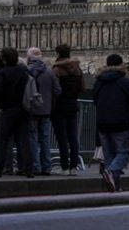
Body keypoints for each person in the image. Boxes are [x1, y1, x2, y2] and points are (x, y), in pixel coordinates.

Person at [93, 53, 129, 192]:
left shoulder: (99, 82)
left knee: (109, 155)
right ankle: (112, 172)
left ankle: (115, 185)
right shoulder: (125, 82)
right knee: (123, 151)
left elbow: (95, 99)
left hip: (102, 122)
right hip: (120, 121)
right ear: (120, 65)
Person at [0, 47, 33, 178]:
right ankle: (28, 169)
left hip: (8, 109)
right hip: (23, 109)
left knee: (3, 140)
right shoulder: (24, 71)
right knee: (24, 140)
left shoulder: (2, 73)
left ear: (4, 58)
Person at [26, 47, 61, 176]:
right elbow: (57, 90)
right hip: (46, 109)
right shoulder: (49, 72)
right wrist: (49, 101)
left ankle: (36, 166)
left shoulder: (27, 71)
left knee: (32, 139)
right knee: (45, 139)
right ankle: (46, 167)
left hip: (31, 109)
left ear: (29, 58)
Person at [50, 44, 84, 176]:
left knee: (62, 138)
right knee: (73, 137)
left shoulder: (56, 70)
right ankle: (73, 166)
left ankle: (64, 166)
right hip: (72, 105)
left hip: (59, 106)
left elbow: (55, 89)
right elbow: (82, 88)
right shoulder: (77, 69)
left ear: (58, 54)